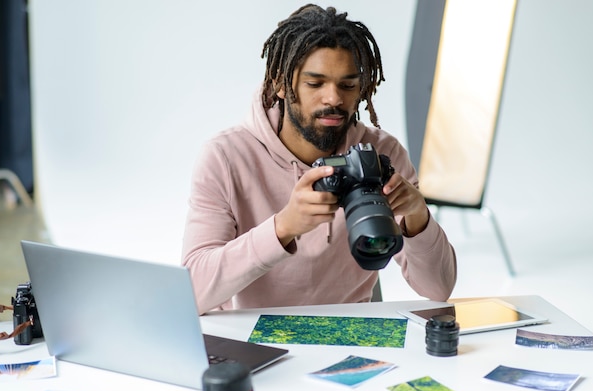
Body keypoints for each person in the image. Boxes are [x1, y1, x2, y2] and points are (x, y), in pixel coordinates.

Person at [182, 4, 456, 314]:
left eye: (348, 85)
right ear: (280, 84)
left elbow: (439, 289)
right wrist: (283, 227)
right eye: (315, 84)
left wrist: (418, 219)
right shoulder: (225, 158)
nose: (334, 98)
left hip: (348, 338)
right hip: (252, 341)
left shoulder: (382, 154)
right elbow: (191, 292)